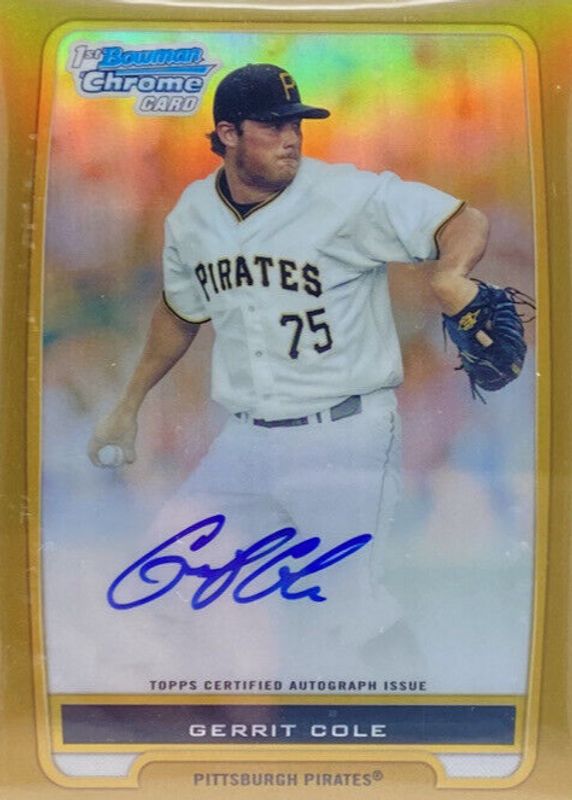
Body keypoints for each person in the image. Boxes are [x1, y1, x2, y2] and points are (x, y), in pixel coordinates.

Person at [88, 63, 489, 677]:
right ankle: (186, 705)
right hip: (246, 437)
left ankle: (417, 708)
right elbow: (180, 312)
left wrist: (451, 274)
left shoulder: (346, 196)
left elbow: (463, 221)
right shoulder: (192, 214)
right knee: (165, 568)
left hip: (345, 433)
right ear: (227, 134)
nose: (291, 138)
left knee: (353, 606)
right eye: (272, 125)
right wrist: (129, 403)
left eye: (296, 124)